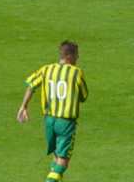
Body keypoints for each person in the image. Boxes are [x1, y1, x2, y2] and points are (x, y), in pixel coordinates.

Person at [17, 41, 89, 182]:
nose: (78, 57)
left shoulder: (46, 69)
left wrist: (23, 106)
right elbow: (84, 97)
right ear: (69, 56)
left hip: (49, 119)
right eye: (76, 55)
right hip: (66, 121)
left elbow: (31, 86)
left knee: (55, 156)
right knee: (63, 161)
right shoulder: (76, 72)